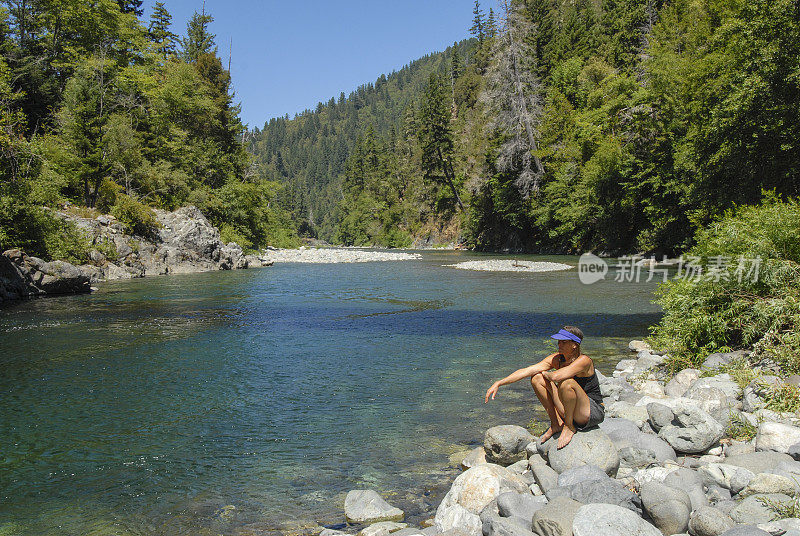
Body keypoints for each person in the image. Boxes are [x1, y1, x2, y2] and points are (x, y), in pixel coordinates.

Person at [484, 326, 604, 449]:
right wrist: (499, 382)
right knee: (536, 378)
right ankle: (556, 423)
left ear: (574, 345)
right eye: (558, 341)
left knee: (567, 383)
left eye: (564, 342)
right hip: (570, 409)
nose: (559, 344)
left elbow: (557, 377)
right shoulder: (557, 359)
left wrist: (546, 373)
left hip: (590, 412)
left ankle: (569, 426)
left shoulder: (584, 360)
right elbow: (527, 370)